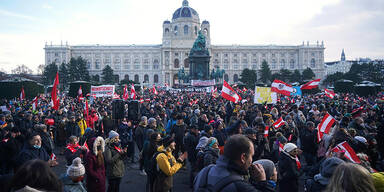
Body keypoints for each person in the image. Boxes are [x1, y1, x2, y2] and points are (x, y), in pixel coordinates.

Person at [193, 134, 267, 192]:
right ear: (243, 157)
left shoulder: (204, 172)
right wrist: (262, 182)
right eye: (251, 156)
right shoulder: (241, 187)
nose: (251, 160)